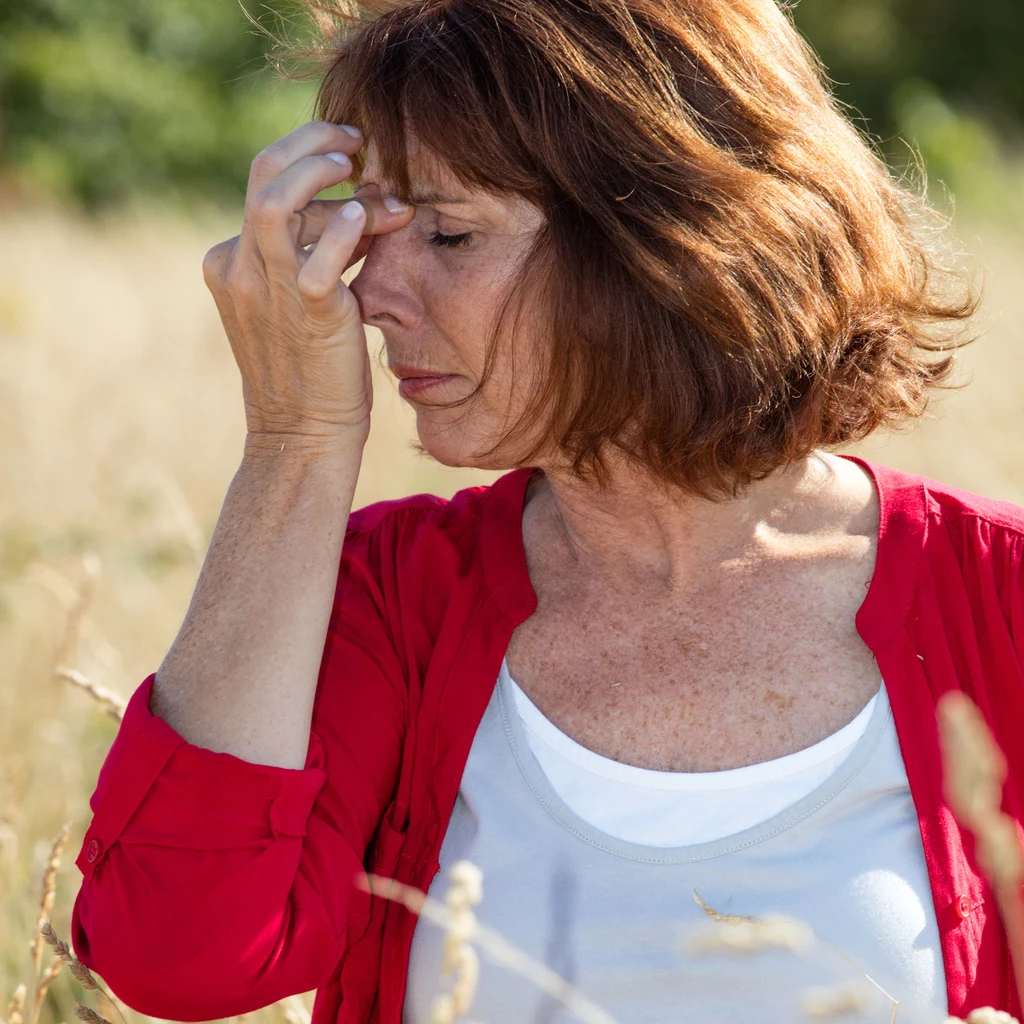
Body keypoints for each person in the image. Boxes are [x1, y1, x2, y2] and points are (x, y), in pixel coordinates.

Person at [70, 0, 1024, 1022]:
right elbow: (177, 955)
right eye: (367, 232)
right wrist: (294, 447)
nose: (370, 292)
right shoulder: (385, 601)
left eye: (446, 230)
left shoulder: (996, 594)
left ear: (673, 239)